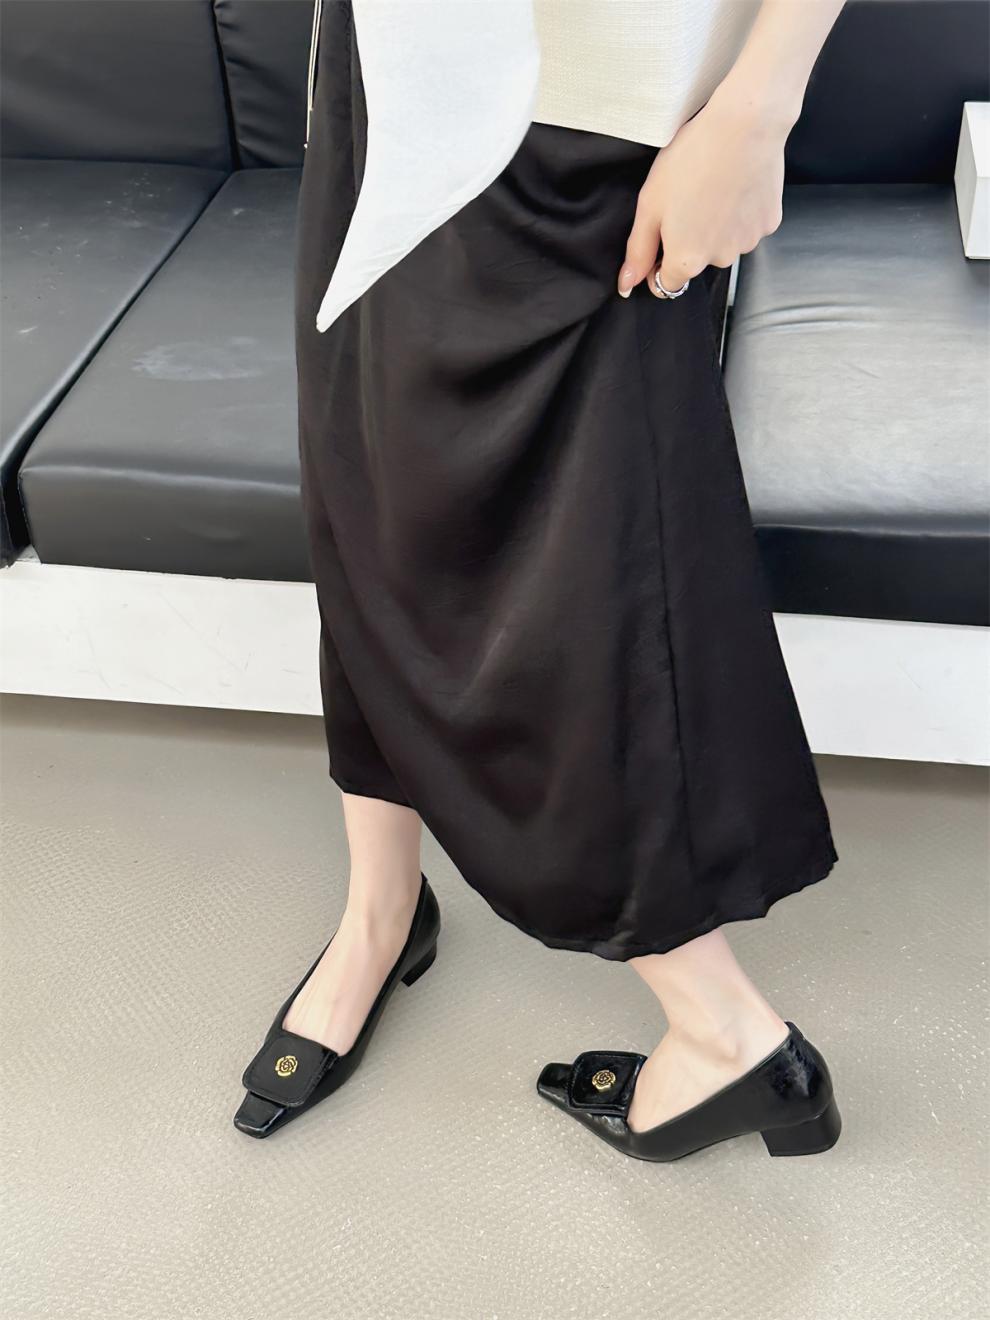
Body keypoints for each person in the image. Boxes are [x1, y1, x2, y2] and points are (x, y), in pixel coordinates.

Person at [234, 0, 847, 1160]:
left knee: (566, 571)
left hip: (587, 101)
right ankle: (380, 913)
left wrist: (759, 107)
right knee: (365, 498)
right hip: (385, 59)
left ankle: (723, 1029)